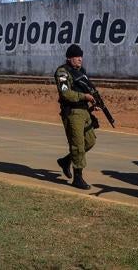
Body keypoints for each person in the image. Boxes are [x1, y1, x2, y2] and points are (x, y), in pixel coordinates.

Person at [54, 44, 97, 190]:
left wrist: (93, 101)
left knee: (90, 141)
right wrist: (84, 96)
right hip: (72, 112)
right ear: (69, 58)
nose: (80, 59)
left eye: (81, 56)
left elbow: (88, 88)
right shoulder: (62, 72)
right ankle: (78, 178)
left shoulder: (81, 72)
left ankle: (66, 161)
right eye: (76, 57)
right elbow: (65, 93)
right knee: (77, 145)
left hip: (84, 111)